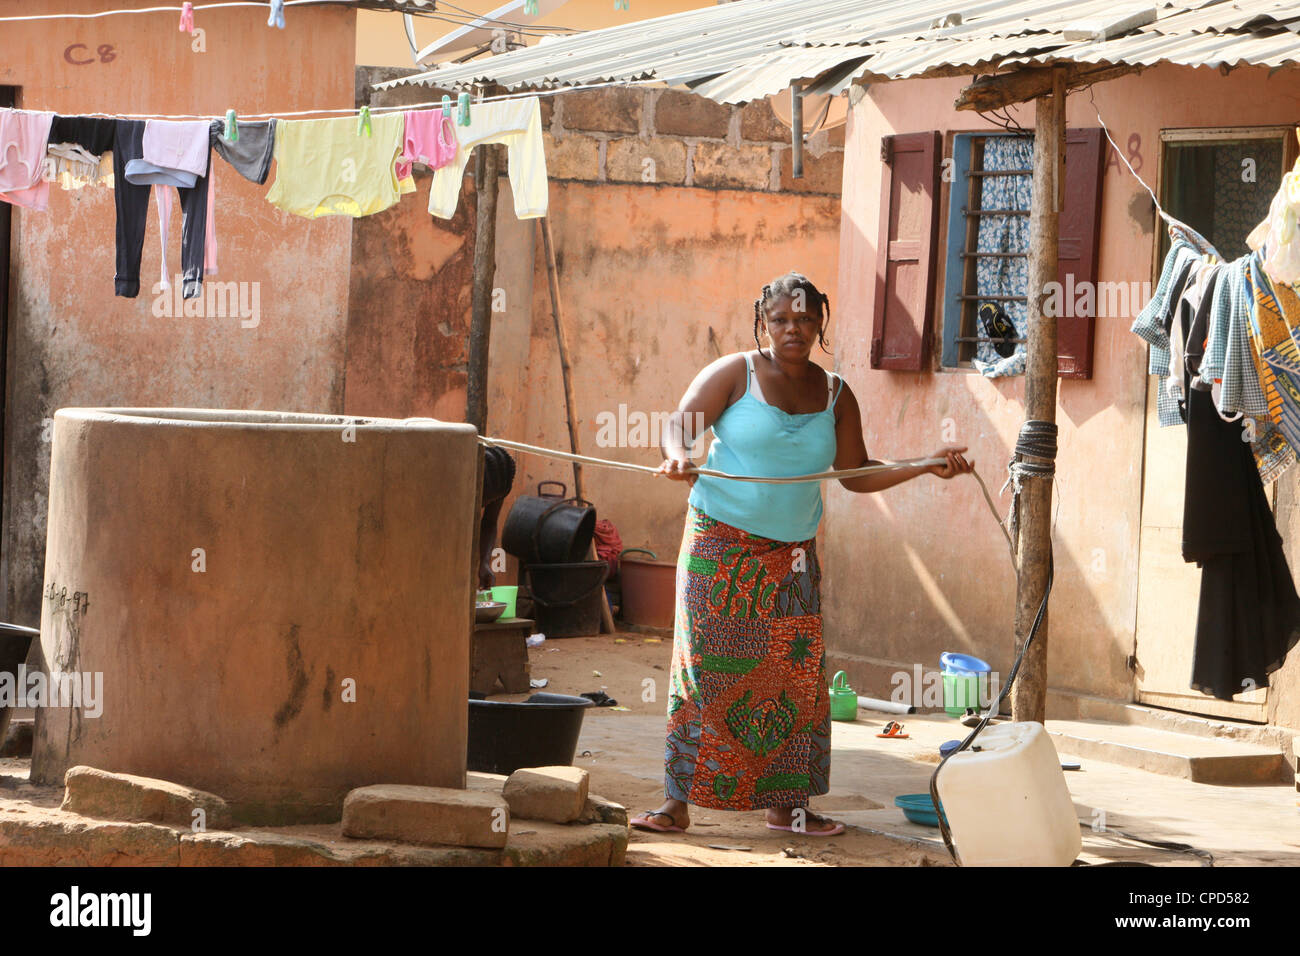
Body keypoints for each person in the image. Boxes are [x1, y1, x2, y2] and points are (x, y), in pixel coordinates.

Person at [630, 272, 972, 837]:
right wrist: (676, 457)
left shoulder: (836, 393)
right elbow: (679, 425)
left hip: (792, 559)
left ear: (820, 323)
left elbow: (855, 475)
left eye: (805, 319)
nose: (793, 328)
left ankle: (787, 807)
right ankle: (676, 805)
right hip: (720, 548)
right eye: (782, 319)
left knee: (794, 680)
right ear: (764, 321)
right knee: (704, 674)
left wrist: (924, 464)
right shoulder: (733, 374)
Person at [478, 446, 517, 590]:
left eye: (491, 502)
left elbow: (489, 523)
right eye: (484, 501)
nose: (485, 505)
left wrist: (484, 562)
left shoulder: (498, 481)